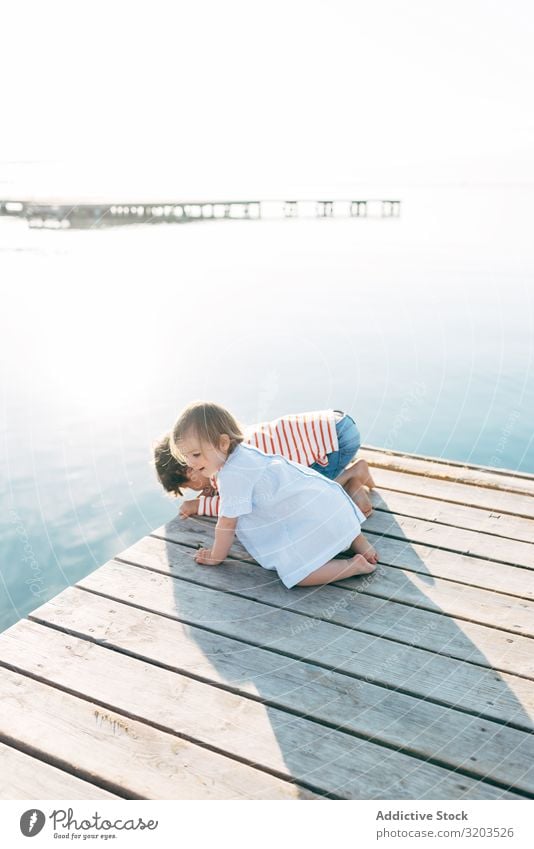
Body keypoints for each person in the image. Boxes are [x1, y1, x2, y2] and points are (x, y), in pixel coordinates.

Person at [169, 401, 378, 589]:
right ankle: (360, 543)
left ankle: (353, 566)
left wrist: (216, 556)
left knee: (299, 575)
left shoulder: (231, 476)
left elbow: (227, 522)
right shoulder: (247, 453)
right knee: (334, 523)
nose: (191, 463)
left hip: (305, 515)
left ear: (223, 443)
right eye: (186, 457)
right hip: (321, 503)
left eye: (195, 454)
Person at [154, 408, 375, 517]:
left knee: (297, 494)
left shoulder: (234, 464)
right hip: (332, 426)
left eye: (191, 486)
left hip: (334, 440)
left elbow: (239, 503)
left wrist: (198, 506)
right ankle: (349, 472)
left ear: (190, 471)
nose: (198, 490)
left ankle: (351, 477)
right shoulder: (229, 442)